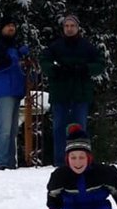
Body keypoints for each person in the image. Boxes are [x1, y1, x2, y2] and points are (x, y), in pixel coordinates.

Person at [40, 13, 106, 166]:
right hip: (60, 94)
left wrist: (85, 69)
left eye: (72, 26)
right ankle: (60, 163)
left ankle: (80, 161)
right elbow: (44, 62)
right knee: (59, 128)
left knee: (79, 129)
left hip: (80, 94)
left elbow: (100, 64)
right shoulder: (55, 46)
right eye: (66, 26)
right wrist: (56, 70)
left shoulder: (87, 47)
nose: (69, 29)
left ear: (78, 28)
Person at [0, 19, 28, 170]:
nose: (11, 28)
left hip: (15, 91)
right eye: (8, 25)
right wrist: (16, 58)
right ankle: (1, 162)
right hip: (4, 90)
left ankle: (10, 162)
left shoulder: (14, 47)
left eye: (13, 26)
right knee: (4, 128)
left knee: (12, 130)